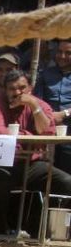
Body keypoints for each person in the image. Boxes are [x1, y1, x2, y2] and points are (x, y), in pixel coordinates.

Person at [0, 69, 71, 236]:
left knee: (68, 182)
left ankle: (61, 232)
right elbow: (0, 132)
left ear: (30, 88)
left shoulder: (41, 105)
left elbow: (47, 133)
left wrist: (33, 106)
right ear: (5, 90)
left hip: (34, 165)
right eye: (11, 88)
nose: (17, 93)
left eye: (22, 88)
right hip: (6, 163)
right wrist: (30, 137)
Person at [35, 39, 71, 173]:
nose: (62, 56)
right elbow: (37, 100)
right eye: (60, 52)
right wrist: (49, 116)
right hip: (48, 126)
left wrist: (65, 114)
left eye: (68, 53)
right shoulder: (46, 74)